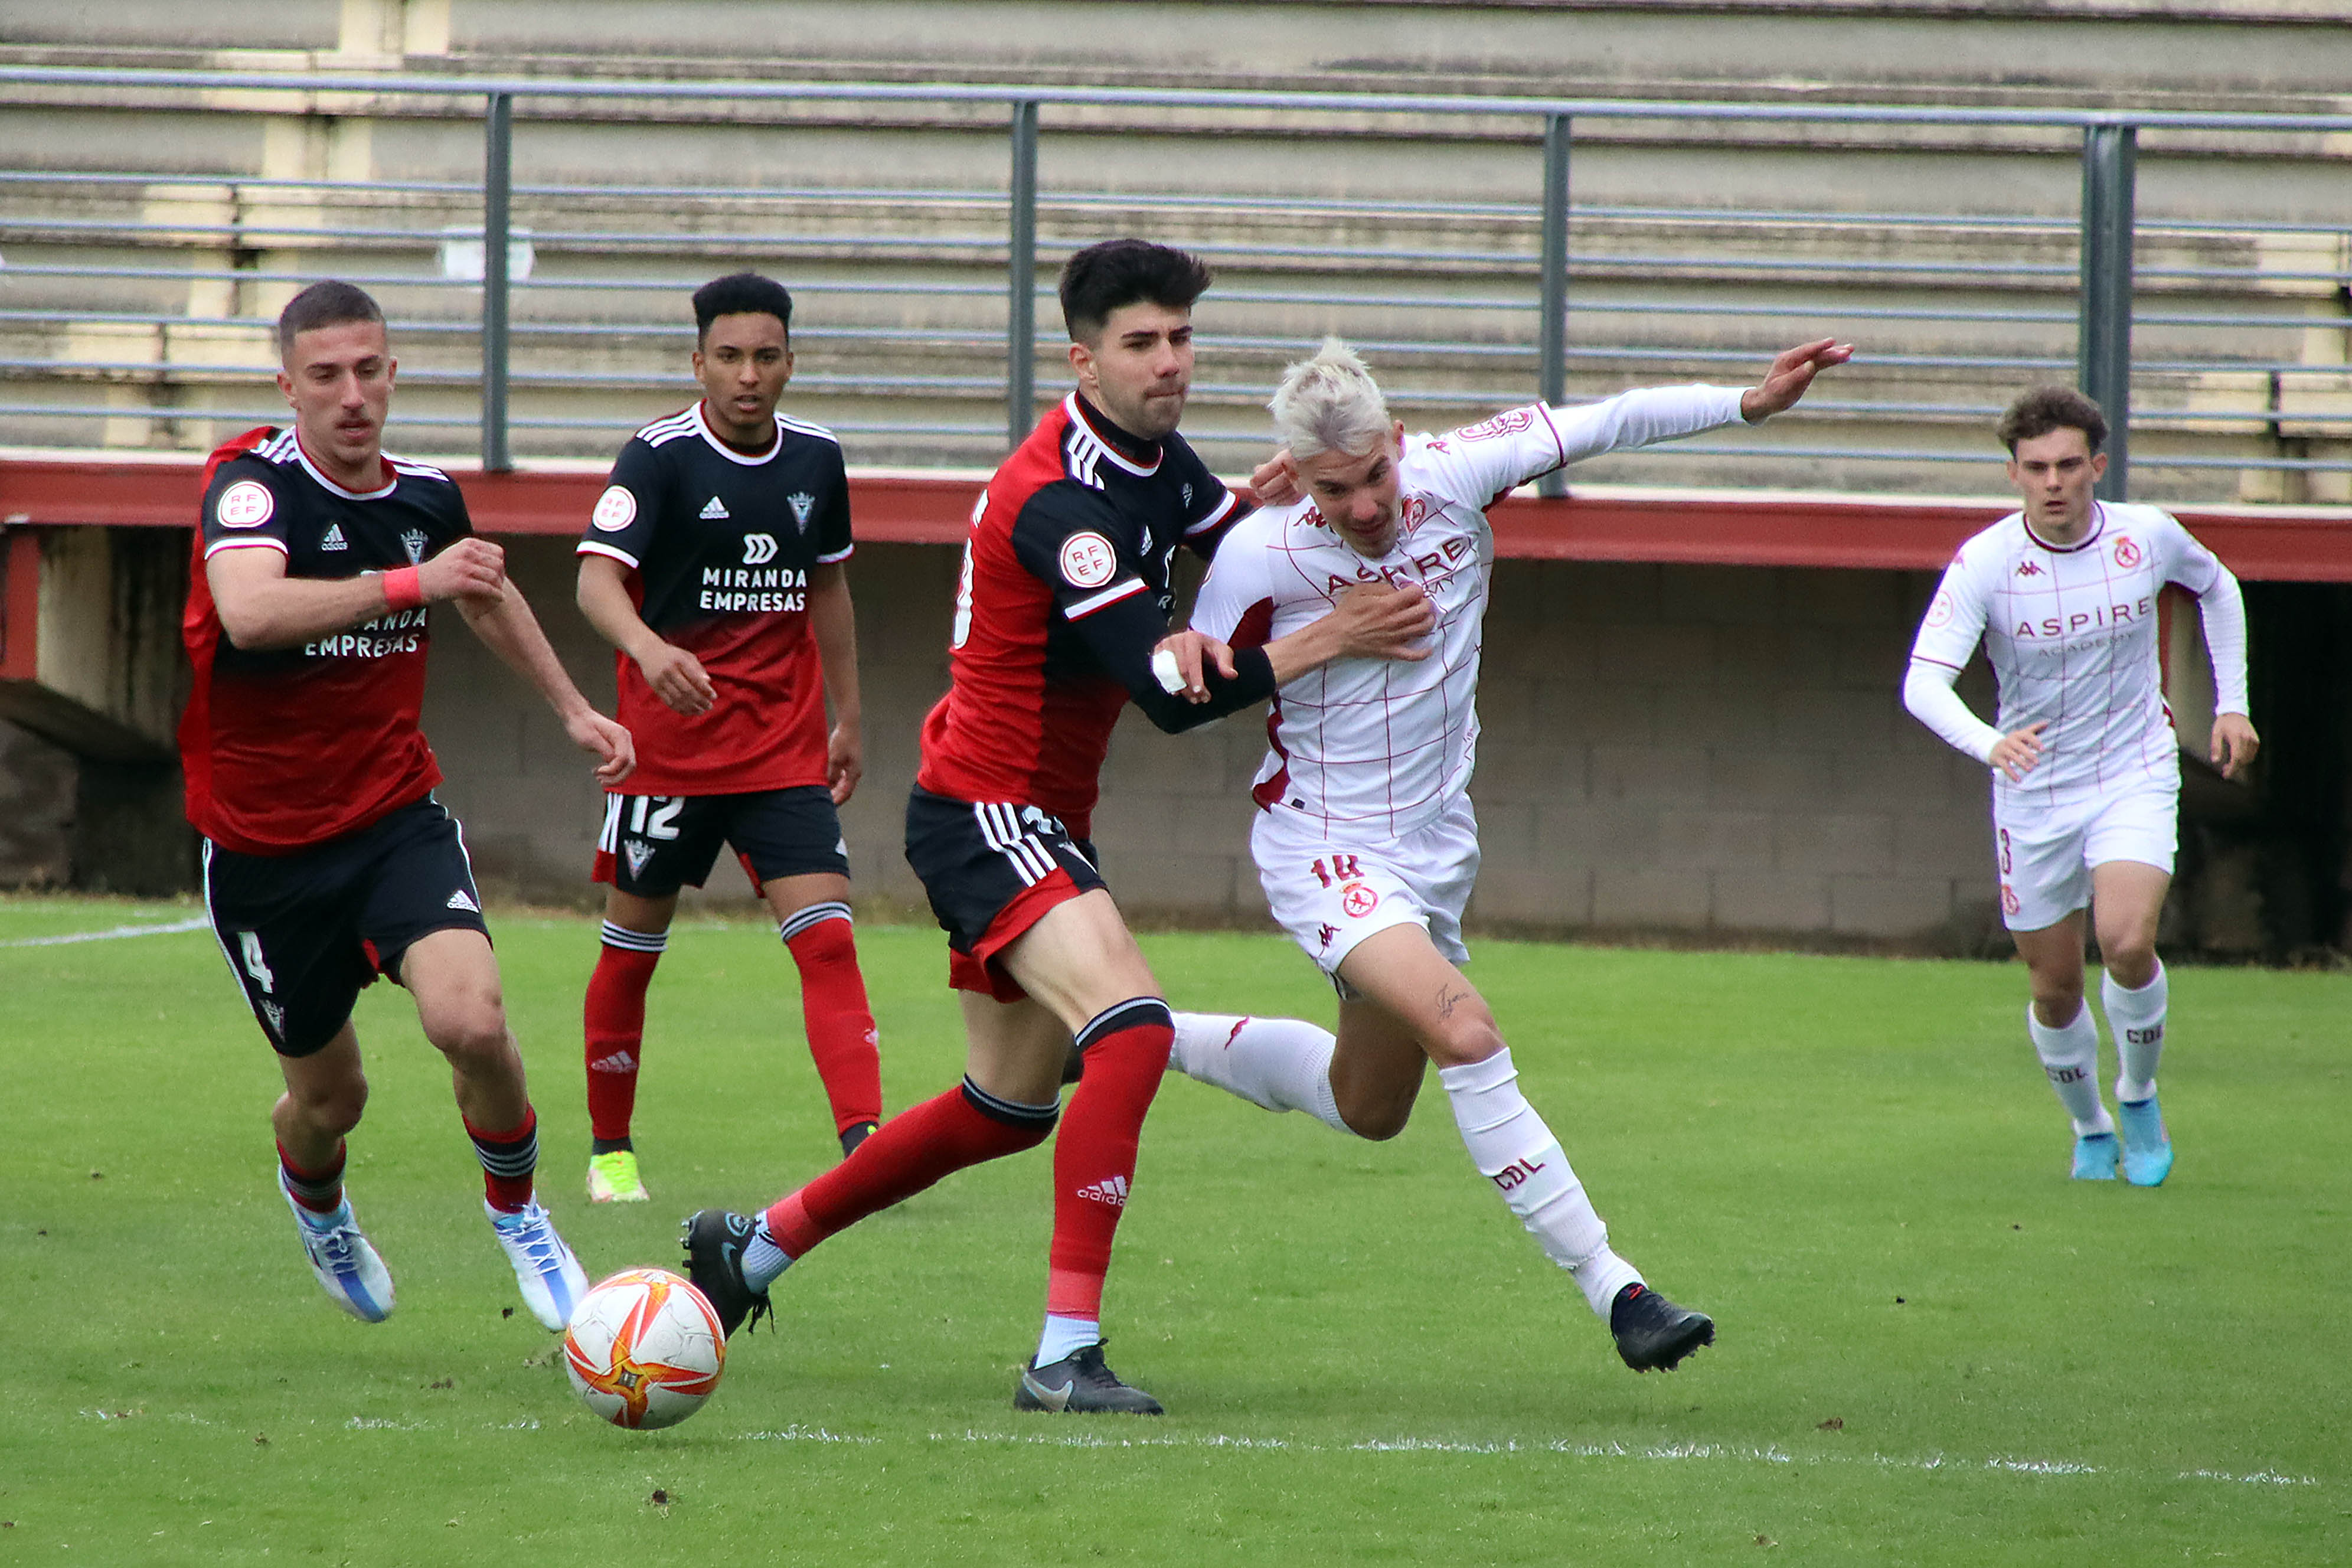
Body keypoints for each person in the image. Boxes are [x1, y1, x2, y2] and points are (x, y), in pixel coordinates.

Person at [685, 240, 1432, 1413]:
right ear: (1082, 358)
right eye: (1143, 343)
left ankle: (755, 1245)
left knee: (1004, 1109)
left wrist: (1297, 497)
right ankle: (1061, 1354)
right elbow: (1170, 694)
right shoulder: (1060, 502)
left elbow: (1221, 534)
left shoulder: (1154, 460)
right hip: (990, 812)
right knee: (1130, 1033)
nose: (1171, 361)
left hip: (1032, 816)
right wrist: (1331, 636)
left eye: (1183, 339)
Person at [1166, 334, 1851, 1372]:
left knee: (1369, 1107)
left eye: (1376, 475)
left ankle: (1143, 1032)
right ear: (1300, 482)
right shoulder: (1262, 552)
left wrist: (1749, 403)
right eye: (1337, 489)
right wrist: (1213, 643)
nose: (1365, 506)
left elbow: (1611, 419)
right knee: (1469, 1036)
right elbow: (1196, 686)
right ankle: (1620, 1292)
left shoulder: (1458, 472)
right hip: (1323, 847)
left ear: (1402, 443)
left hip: (1436, 852)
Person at [184, 280, 633, 1328]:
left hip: (395, 820)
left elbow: (478, 586)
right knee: (330, 1102)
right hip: (265, 854)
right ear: (285, 380)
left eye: (370, 370)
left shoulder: (424, 497)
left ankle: (521, 1216)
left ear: (395, 373)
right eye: (327, 375)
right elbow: (248, 612)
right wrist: (405, 586)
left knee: (471, 1023)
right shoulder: (251, 485)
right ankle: (318, 1201)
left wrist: (572, 708)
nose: (352, 396)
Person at [573, 272, 881, 1203]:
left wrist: (851, 715)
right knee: (632, 950)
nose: (749, 376)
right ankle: (611, 1151)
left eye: (767, 357)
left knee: (828, 942)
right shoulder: (658, 457)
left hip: (781, 752)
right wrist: (647, 645)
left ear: (791, 362)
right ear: (698, 361)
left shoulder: (819, 459)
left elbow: (827, 585)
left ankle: (867, 1148)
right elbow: (594, 581)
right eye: (730, 358)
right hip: (667, 756)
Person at [1902, 386, 2256, 1186]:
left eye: (2068, 464)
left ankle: (2137, 1093)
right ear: (2014, 475)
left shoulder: (2147, 538)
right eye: (2036, 468)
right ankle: (2089, 1124)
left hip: (2133, 768)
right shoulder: (1987, 564)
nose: (2054, 482)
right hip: (2033, 792)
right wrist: (1991, 744)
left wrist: (2231, 703)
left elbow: (2218, 588)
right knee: (2055, 986)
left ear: (2098, 465)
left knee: (2127, 943)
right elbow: (1923, 683)